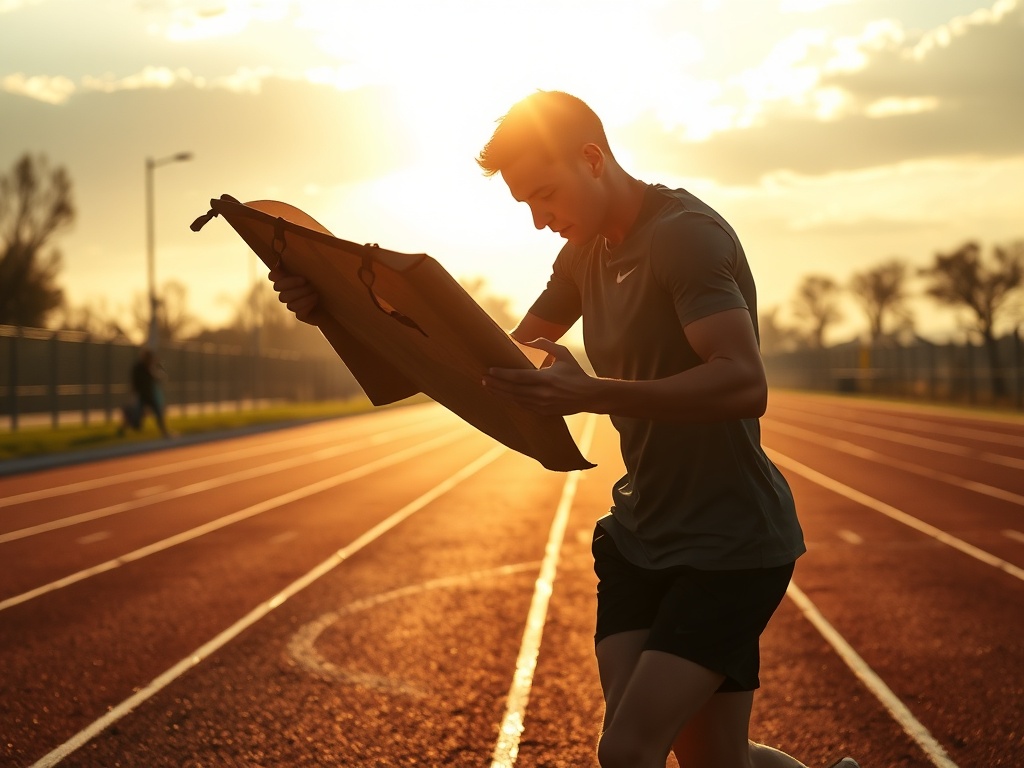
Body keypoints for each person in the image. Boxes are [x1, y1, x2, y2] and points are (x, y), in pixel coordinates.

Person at [268, 90, 859, 768]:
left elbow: (743, 382)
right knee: (716, 763)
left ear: (592, 158)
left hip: (731, 542)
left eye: (546, 196)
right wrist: (339, 312)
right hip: (642, 534)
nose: (540, 220)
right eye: (525, 204)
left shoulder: (684, 237)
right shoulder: (584, 254)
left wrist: (588, 393)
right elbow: (501, 359)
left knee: (628, 751)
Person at [119, 346, 170, 438]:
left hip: (149, 396)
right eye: (150, 358)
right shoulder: (138, 368)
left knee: (158, 413)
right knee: (136, 418)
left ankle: (164, 432)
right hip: (141, 396)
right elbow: (134, 383)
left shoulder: (149, 368)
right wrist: (133, 395)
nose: (151, 360)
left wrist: (159, 373)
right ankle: (123, 428)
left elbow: (155, 379)